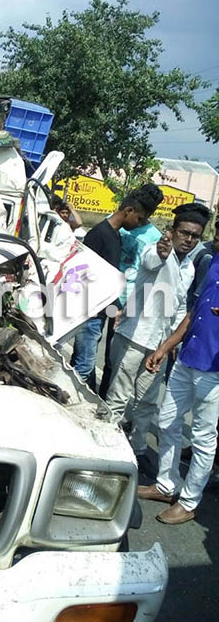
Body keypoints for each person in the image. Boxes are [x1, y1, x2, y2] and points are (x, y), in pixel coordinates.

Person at [103, 203, 208, 459]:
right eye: (184, 233)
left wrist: (171, 345)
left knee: (148, 402)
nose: (189, 240)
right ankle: (105, 447)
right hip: (134, 337)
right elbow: (151, 260)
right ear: (172, 232)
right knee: (118, 396)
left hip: (159, 345)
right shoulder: (157, 250)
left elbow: (180, 307)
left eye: (195, 236)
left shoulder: (189, 267)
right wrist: (163, 252)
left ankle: (137, 451)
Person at [137, 242, 219, 524]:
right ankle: (165, 485)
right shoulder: (211, 262)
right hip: (187, 359)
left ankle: (188, 501)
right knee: (167, 422)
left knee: (203, 439)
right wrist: (163, 348)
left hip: (214, 370)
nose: (212, 242)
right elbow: (193, 313)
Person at [71, 193, 148, 384]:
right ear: (128, 210)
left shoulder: (115, 235)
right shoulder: (99, 234)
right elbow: (87, 274)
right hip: (90, 311)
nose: (138, 224)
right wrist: (116, 308)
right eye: (138, 218)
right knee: (85, 365)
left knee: (82, 361)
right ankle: (68, 406)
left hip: (99, 310)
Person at [98, 183, 164, 398]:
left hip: (127, 302)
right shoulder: (118, 220)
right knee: (90, 344)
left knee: (113, 356)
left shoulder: (154, 236)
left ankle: (103, 397)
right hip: (104, 296)